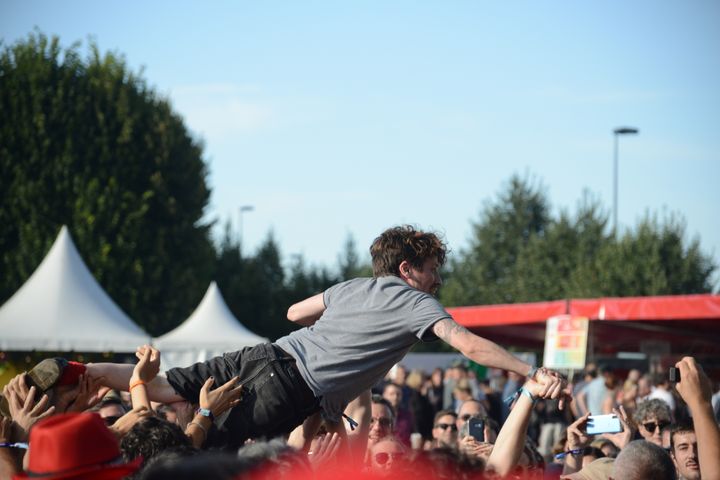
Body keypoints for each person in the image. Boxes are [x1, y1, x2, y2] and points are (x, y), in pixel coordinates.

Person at [73, 226, 566, 448]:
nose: (439, 279)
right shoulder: (417, 302)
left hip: (268, 353)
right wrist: (529, 369)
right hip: (287, 388)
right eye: (434, 269)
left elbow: (293, 312)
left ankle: (82, 373)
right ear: (408, 269)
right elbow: (469, 345)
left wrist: (340, 332)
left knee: (164, 385)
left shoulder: (353, 287)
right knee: (198, 456)